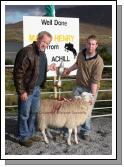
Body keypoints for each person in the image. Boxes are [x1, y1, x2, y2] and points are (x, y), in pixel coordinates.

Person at [13, 31, 56, 147]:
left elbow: (36, 70)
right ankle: (23, 137)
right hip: (27, 90)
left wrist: (48, 68)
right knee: (24, 114)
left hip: (37, 89)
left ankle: (30, 133)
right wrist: (21, 91)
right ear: (38, 39)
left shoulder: (42, 53)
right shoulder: (27, 52)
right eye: (43, 42)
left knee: (33, 113)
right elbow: (18, 74)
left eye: (47, 43)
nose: (45, 45)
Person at [64, 35, 104, 141]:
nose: (90, 46)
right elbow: (77, 64)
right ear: (85, 44)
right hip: (78, 86)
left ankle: (85, 131)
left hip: (90, 89)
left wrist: (92, 96)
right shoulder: (81, 53)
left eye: (93, 44)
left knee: (86, 112)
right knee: (72, 108)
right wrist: (69, 70)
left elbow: (95, 82)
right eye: (89, 44)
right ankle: (69, 129)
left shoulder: (99, 62)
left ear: (96, 45)